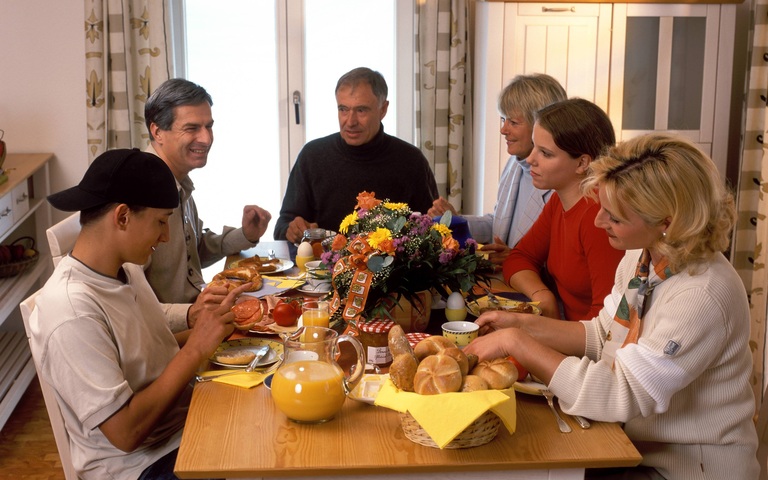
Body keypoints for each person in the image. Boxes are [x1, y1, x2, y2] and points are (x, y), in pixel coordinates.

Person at [465, 133, 760, 479]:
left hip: (685, 470)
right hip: (632, 448)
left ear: (667, 222)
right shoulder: (642, 257)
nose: (598, 221)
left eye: (615, 217)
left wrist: (519, 345)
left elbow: (621, 393)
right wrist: (519, 326)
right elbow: (603, 334)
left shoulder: (701, 295)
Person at [29, 149, 247, 480]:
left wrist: (213, 329)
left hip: (182, 426)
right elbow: (126, 433)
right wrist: (197, 348)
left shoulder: (126, 269)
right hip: (142, 465)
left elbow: (144, 352)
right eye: (161, 222)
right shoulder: (70, 310)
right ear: (122, 217)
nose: (166, 236)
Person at [144, 78, 271, 328]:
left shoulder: (178, 180)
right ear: (157, 132)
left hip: (197, 317)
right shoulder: (142, 194)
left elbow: (192, 252)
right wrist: (190, 314)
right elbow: (126, 305)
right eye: (192, 128)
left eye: (209, 126)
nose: (206, 138)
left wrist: (245, 234)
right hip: (169, 339)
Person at [273, 67, 439, 243]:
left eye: (361, 111)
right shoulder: (312, 156)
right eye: (343, 109)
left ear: (383, 109)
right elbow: (282, 227)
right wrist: (292, 230)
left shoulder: (411, 161)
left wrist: (449, 221)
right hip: (320, 268)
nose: (350, 122)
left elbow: (433, 232)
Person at [503, 98, 624, 320]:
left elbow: (605, 322)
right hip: (568, 335)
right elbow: (518, 258)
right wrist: (543, 296)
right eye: (534, 147)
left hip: (587, 348)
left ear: (582, 163)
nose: (530, 159)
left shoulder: (598, 217)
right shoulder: (560, 200)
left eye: (545, 153)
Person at [428, 73, 567, 265]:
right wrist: (456, 221)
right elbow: (499, 223)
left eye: (513, 122)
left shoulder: (560, 182)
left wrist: (518, 259)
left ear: (541, 126)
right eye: (504, 120)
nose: (503, 130)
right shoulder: (514, 164)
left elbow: (563, 261)